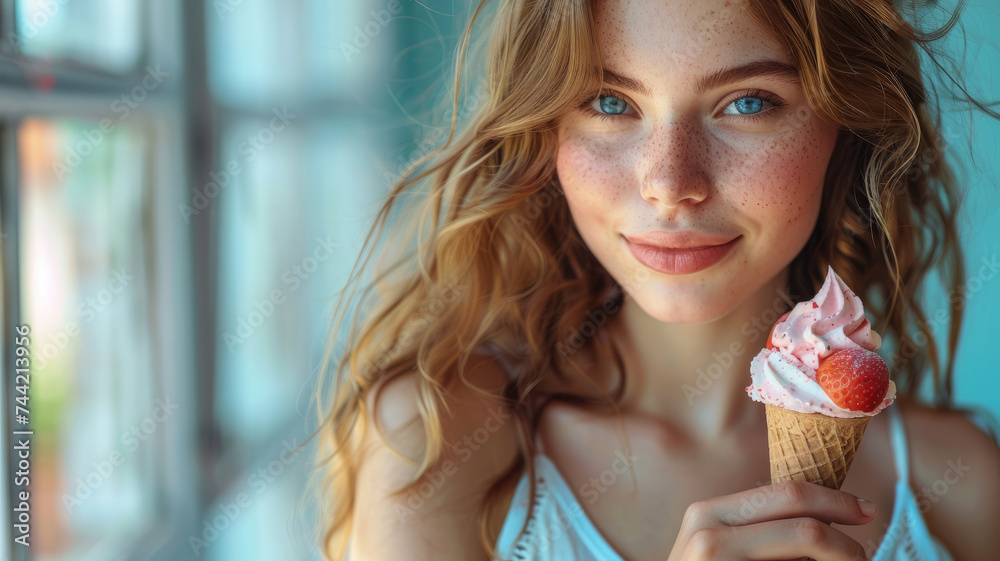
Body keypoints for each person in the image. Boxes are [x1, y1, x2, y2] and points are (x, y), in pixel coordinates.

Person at [305, 0, 1000, 559]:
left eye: (748, 101)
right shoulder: (437, 442)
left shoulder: (960, 484)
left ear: (842, 124)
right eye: (610, 103)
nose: (670, 184)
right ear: (545, 127)